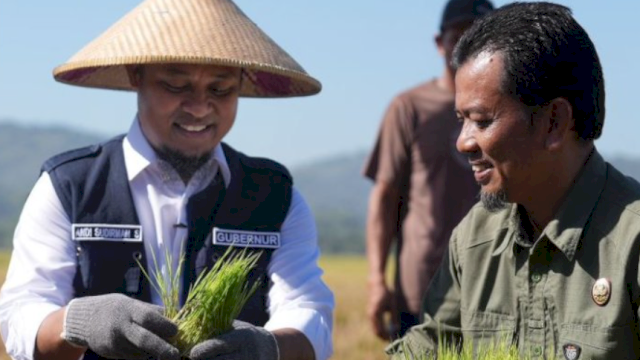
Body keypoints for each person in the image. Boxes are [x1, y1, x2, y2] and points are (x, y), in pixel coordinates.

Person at [0, 0, 334, 360]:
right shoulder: (70, 186)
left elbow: (309, 314)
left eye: (220, 90)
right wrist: (79, 322)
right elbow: (21, 316)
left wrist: (268, 346)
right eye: (176, 85)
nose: (199, 107)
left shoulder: (274, 197)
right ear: (135, 75)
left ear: (241, 84)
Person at [386, 2, 640, 359]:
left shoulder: (632, 243)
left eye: (481, 120)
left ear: (553, 122)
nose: (463, 141)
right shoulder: (476, 237)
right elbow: (429, 345)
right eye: (461, 119)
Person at [363, 0, 492, 340]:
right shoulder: (410, 108)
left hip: (495, 290)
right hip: (422, 289)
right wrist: (377, 281)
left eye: (480, 37)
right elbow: (385, 198)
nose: (468, 47)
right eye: (458, 36)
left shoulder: (511, 113)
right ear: (439, 43)